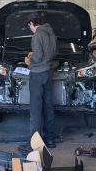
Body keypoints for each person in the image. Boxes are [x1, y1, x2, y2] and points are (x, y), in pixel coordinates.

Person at [24, 12, 57, 149]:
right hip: (48, 73)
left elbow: (37, 56)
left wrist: (29, 60)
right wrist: (39, 57)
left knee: (35, 110)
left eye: (29, 26)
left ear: (32, 23)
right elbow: (54, 53)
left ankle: (34, 144)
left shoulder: (37, 35)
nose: (30, 29)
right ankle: (50, 139)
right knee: (48, 106)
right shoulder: (51, 34)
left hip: (37, 74)